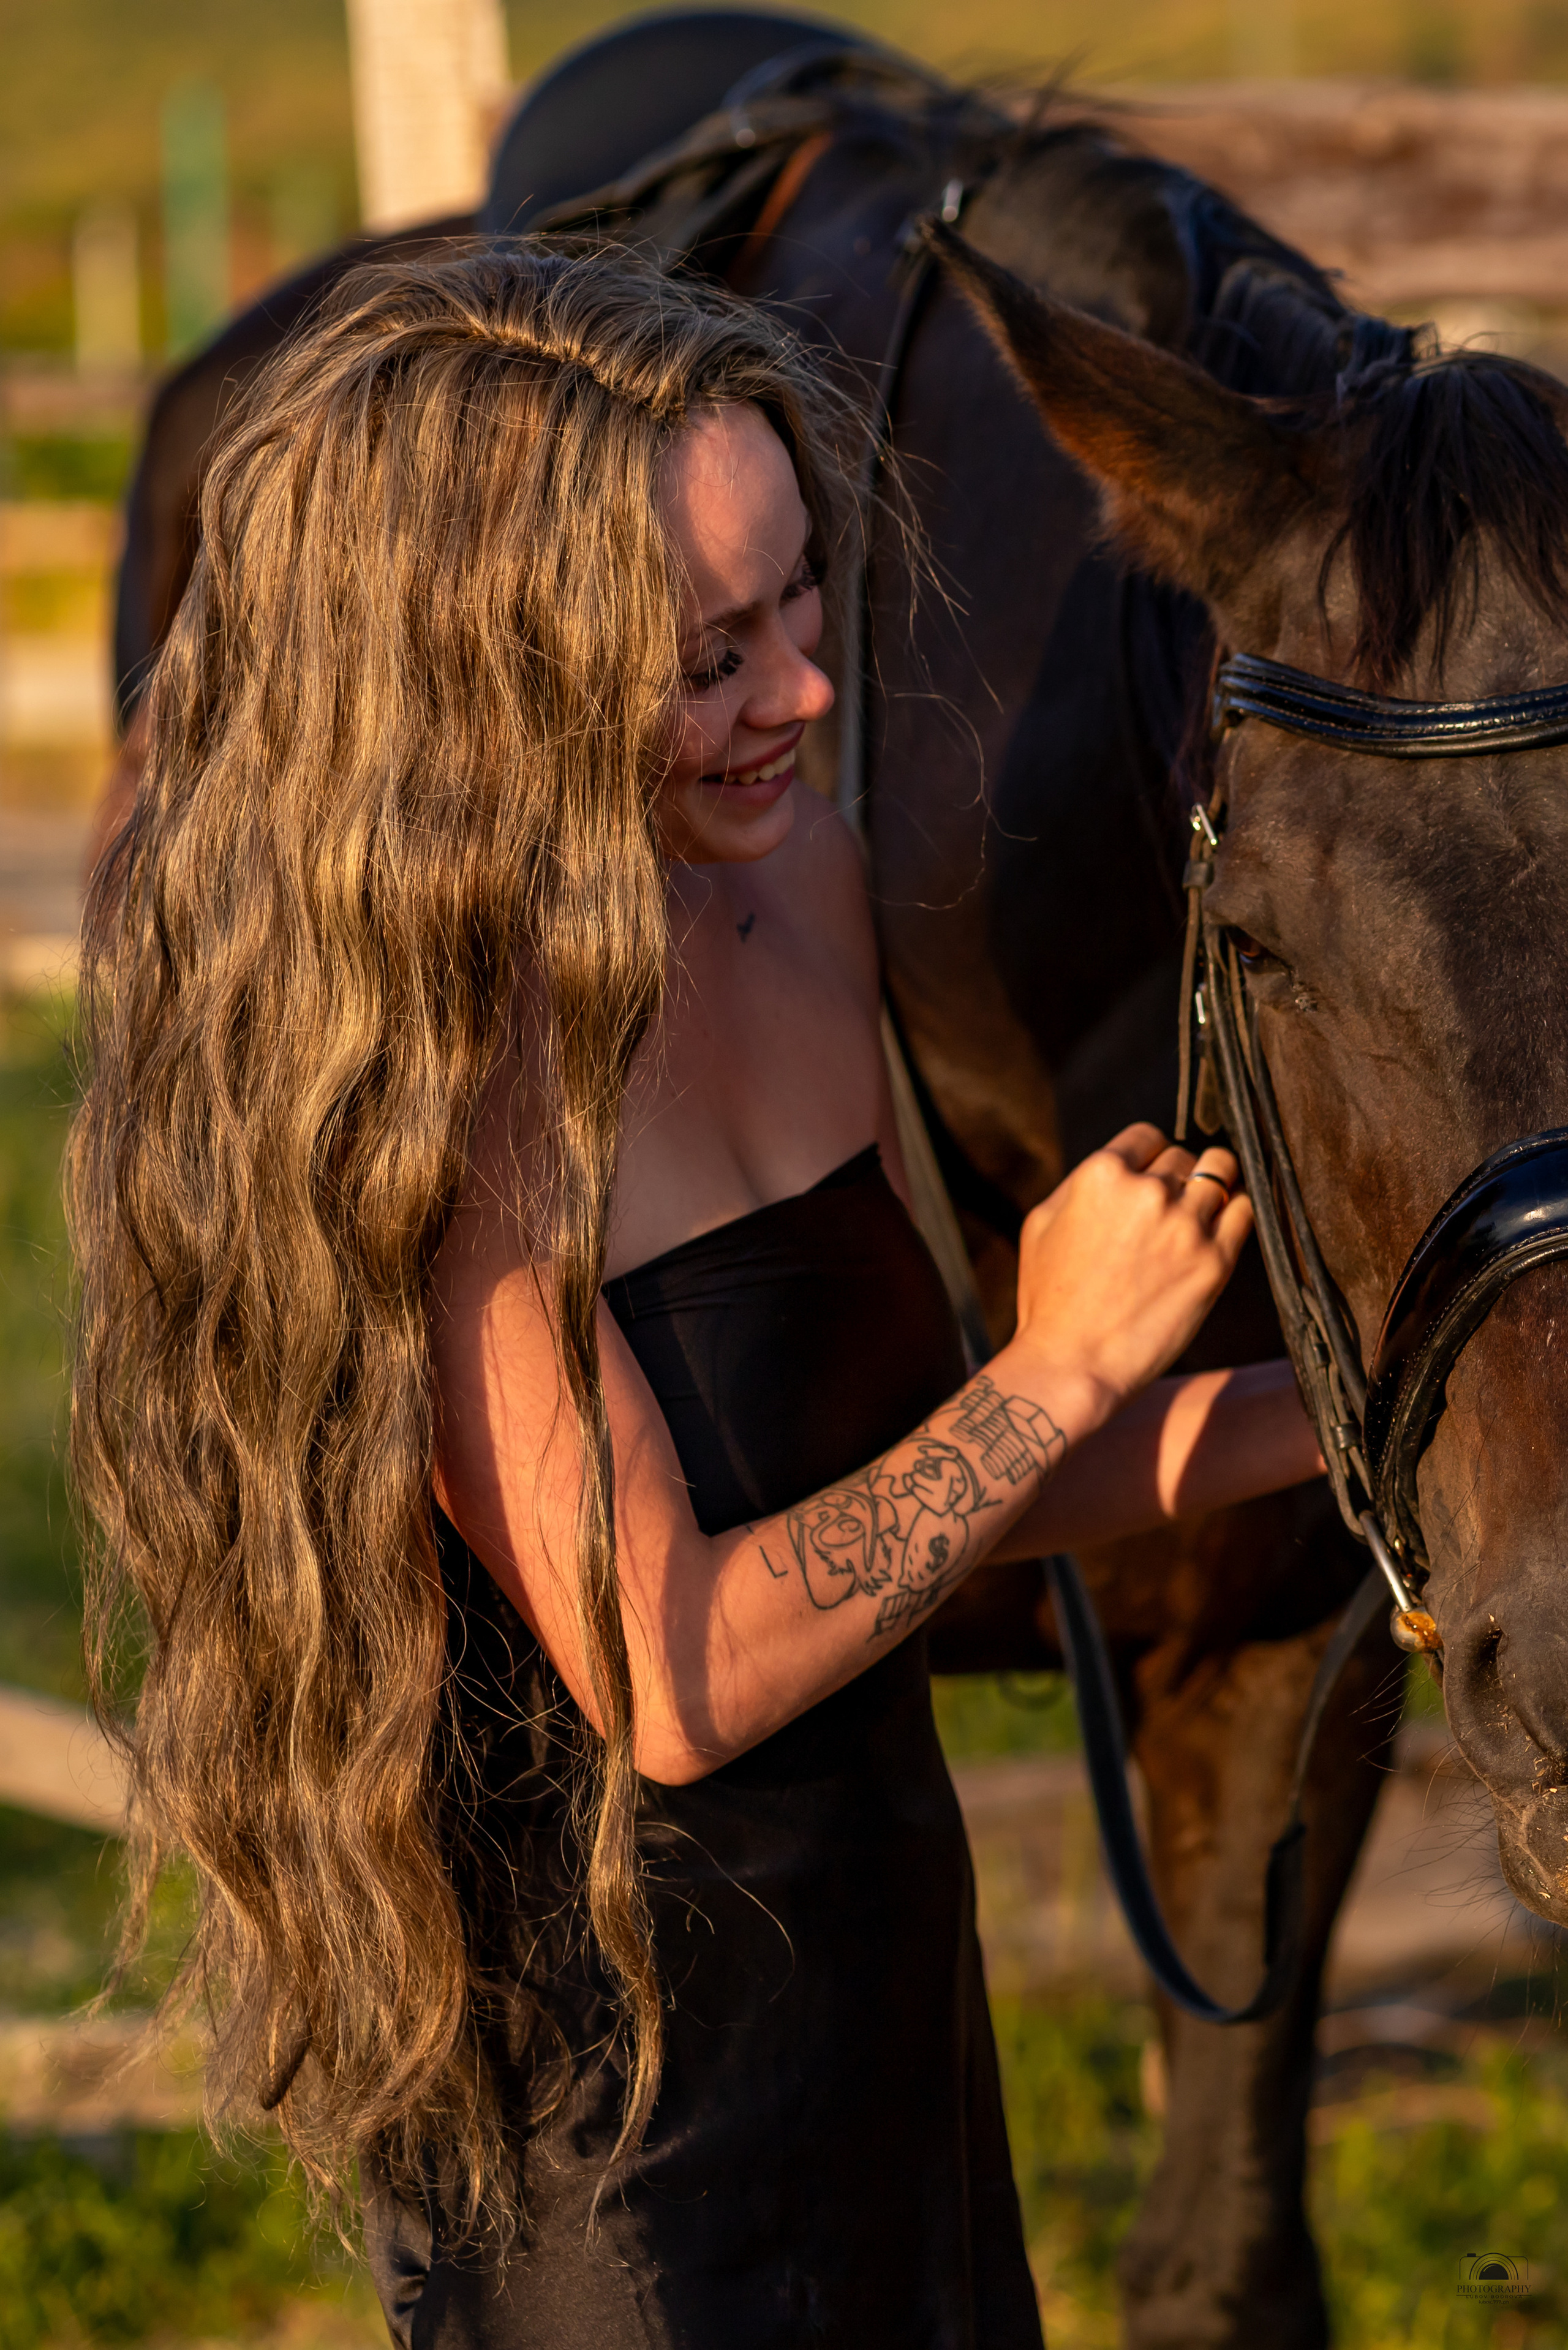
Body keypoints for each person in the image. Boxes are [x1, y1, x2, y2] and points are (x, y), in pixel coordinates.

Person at [69, 244, 1323, 2350]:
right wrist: (1059, 1362)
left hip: (899, 2037)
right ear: (498, 677)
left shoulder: (795, 884)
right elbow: (677, 1669)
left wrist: (1350, 1420)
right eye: (706, 655)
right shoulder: (442, 1094)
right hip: (621, 2154)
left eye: (800, 600)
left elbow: (901, 1503)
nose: (806, 695)